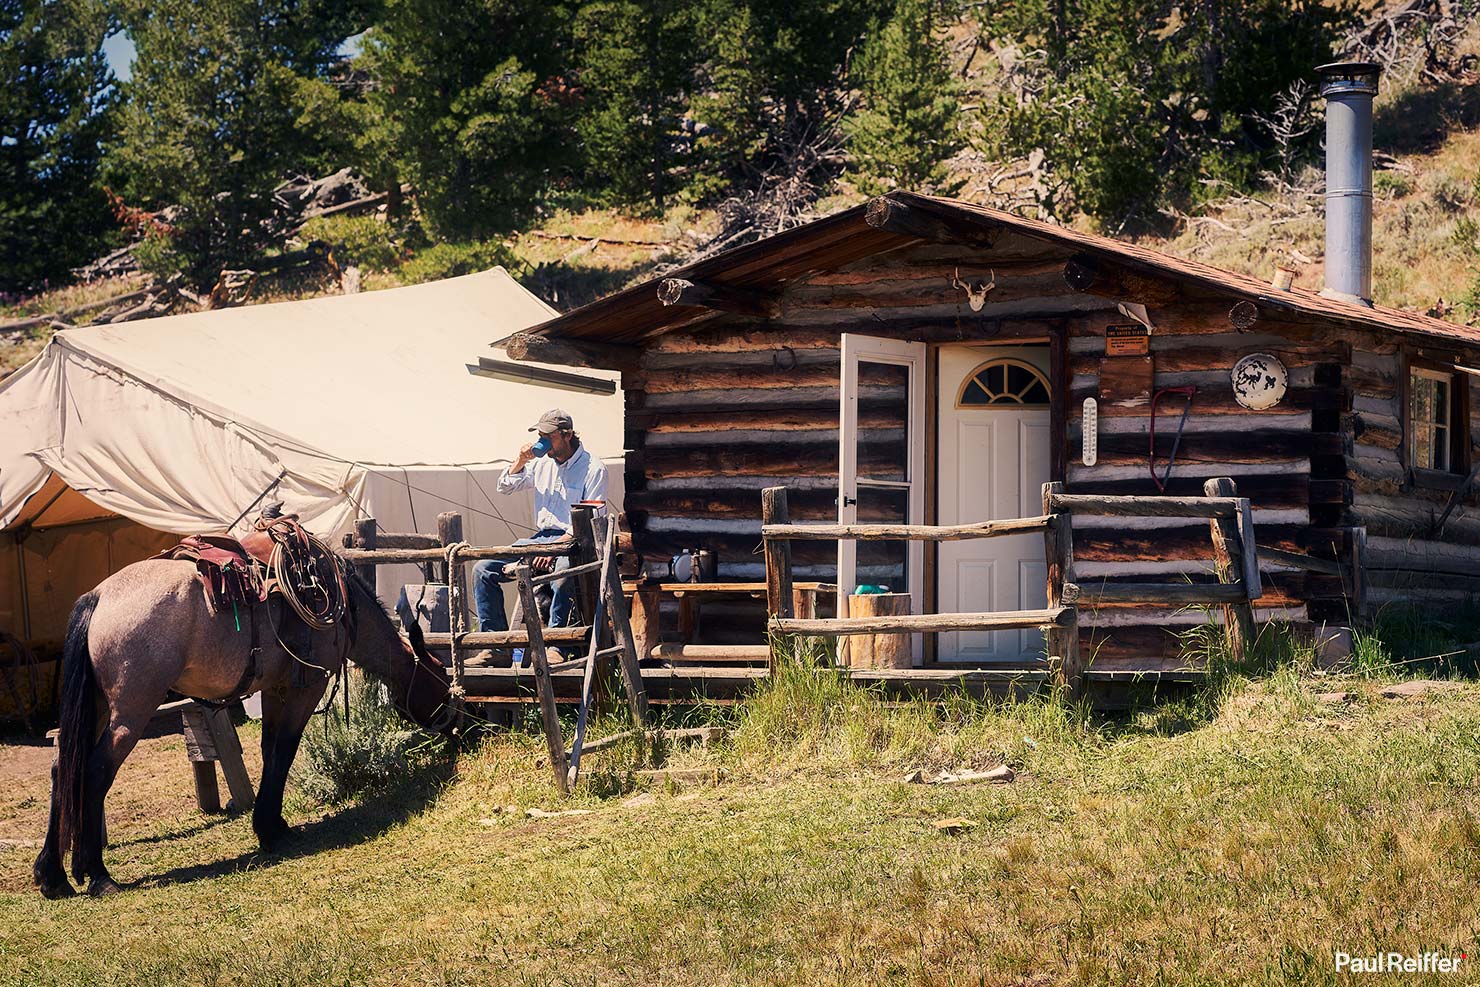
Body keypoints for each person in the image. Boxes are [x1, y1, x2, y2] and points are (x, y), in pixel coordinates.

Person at [471, 409, 608, 638]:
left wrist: (553, 550)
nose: (542, 442)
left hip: (574, 542)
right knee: (483, 569)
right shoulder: (542, 463)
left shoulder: (593, 468)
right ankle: (494, 645)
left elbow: (591, 517)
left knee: (564, 572)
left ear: (567, 435)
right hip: (541, 539)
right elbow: (505, 486)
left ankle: (558, 643)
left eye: (548, 437)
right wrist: (521, 460)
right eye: (540, 437)